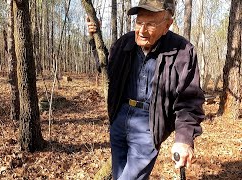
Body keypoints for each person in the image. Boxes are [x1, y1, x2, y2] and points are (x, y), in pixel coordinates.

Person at [87, 0, 205, 179]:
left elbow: (189, 101)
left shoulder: (182, 51)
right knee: (119, 175)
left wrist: (184, 139)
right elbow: (105, 69)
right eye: (139, 22)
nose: (141, 30)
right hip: (120, 118)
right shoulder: (124, 43)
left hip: (149, 124)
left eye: (150, 24)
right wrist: (94, 38)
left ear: (167, 25)